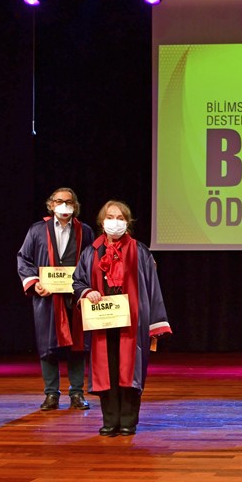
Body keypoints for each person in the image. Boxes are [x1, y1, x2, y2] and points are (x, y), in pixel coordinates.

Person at [72, 200, 170, 437]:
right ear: (101, 221)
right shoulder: (91, 252)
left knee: (130, 371)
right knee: (108, 371)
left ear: (127, 222)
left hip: (132, 321)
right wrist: (87, 291)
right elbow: (78, 281)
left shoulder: (140, 251)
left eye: (120, 218)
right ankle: (110, 420)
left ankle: (128, 421)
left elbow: (152, 287)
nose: (114, 222)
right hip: (103, 321)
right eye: (110, 217)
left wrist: (155, 322)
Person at [17, 187, 95, 411]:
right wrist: (34, 283)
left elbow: (91, 261)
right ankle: (51, 393)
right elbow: (24, 258)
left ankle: (77, 393)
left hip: (75, 298)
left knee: (77, 346)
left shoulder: (85, 231)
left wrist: (86, 287)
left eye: (69, 202)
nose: (64, 205)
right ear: (51, 204)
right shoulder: (37, 230)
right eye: (59, 201)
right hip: (47, 298)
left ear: (75, 206)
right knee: (47, 345)